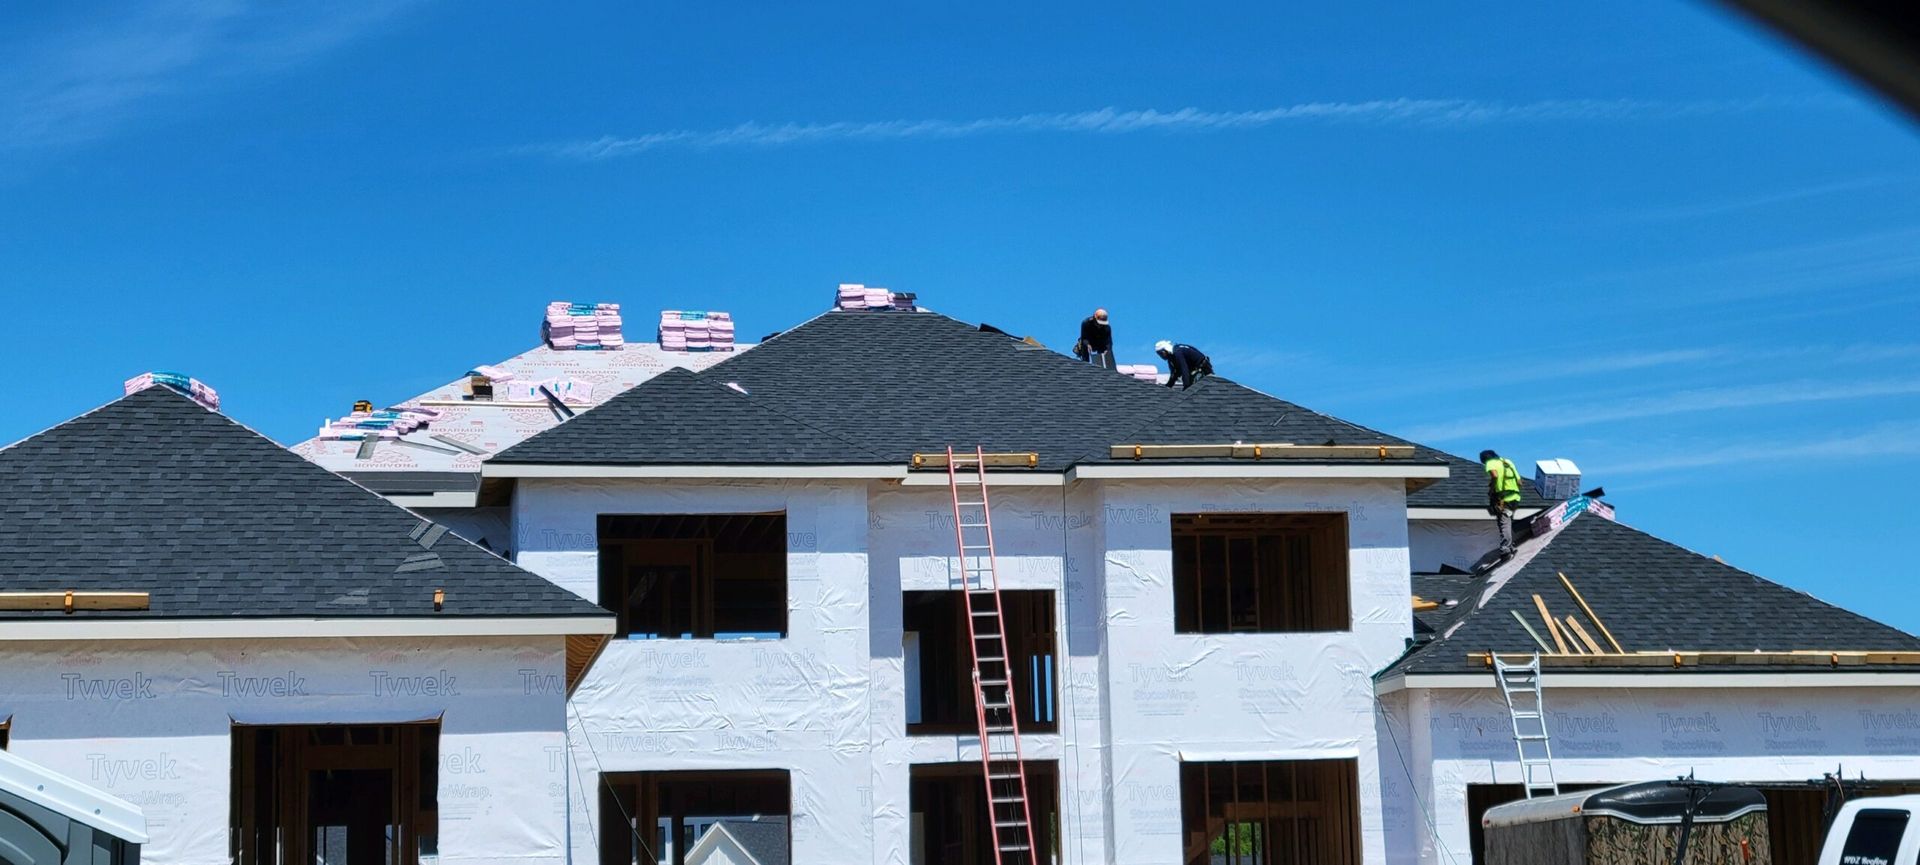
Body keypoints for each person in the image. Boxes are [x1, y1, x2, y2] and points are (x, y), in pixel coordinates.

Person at [1482, 448, 1524, 557]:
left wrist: (1492, 489)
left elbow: (1495, 475)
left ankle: (1506, 548)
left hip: (1503, 498)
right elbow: (1519, 482)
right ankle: (1510, 546)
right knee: (1508, 521)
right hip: (1515, 497)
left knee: (1504, 522)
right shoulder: (1507, 462)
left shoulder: (1490, 463)